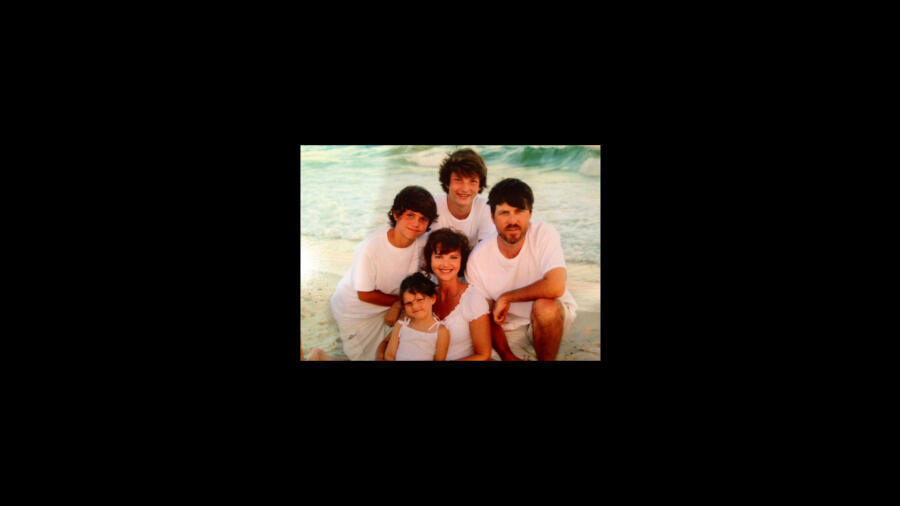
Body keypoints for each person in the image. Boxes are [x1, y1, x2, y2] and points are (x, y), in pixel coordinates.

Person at [320, 185, 438, 361]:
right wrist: (400, 303)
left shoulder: (421, 243)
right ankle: (320, 357)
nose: (416, 224)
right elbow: (364, 294)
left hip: (391, 305)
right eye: (410, 215)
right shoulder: (370, 248)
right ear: (396, 215)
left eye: (423, 219)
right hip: (356, 311)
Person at [464, 178, 578, 361]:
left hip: (552, 317)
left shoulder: (544, 234)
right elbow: (484, 316)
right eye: (504, 213)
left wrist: (507, 297)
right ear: (492, 218)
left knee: (545, 308)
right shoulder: (478, 258)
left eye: (519, 211)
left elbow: (556, 286)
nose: (512, 220)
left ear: (530, 214)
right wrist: (507, 355)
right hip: (510, 326)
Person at [429, 148, 495, 248]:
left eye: (473, 181)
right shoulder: (433, 206)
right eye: (458, 180)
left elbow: (486, 251)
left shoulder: (486, 207)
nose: (465, 189)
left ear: (479, 186)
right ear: (447, 183)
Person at [384, 273, 450, 361]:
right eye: (409, 303)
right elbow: (389, 355)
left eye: (419, 300)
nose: (415, 306)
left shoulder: (441, 331)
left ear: (432, 299)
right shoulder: (401, 325)